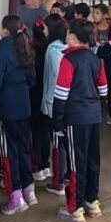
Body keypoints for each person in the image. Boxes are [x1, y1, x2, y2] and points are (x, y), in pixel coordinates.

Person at [52, 20, 108, 222]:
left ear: (74, 37)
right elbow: (103, 91)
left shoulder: (68, 60)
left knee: (76, 163)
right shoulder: (95, 59)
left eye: (69, 34)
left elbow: (61, 95)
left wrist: (57, 123)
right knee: (93, 159)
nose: (66, 37)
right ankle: (92, 201)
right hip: (93, 115)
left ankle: (74, 209)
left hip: (75, 117)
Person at [0, 15, 37, 215]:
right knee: (25, 147)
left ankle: (15, 196)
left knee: (9, 152)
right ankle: (29, 190)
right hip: (24, 104)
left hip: (6, 106)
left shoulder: (2, 52)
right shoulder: (25, 47)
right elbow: (32, 79)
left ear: (5, 30)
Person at [40, 15, 70, 196]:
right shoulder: (66, 46)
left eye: (45, 27)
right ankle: (65, 176)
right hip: (65, 102)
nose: (43, 31)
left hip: (56, 103)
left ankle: (59, 181)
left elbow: (58, 76)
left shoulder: (54, 50)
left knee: (58, 142)